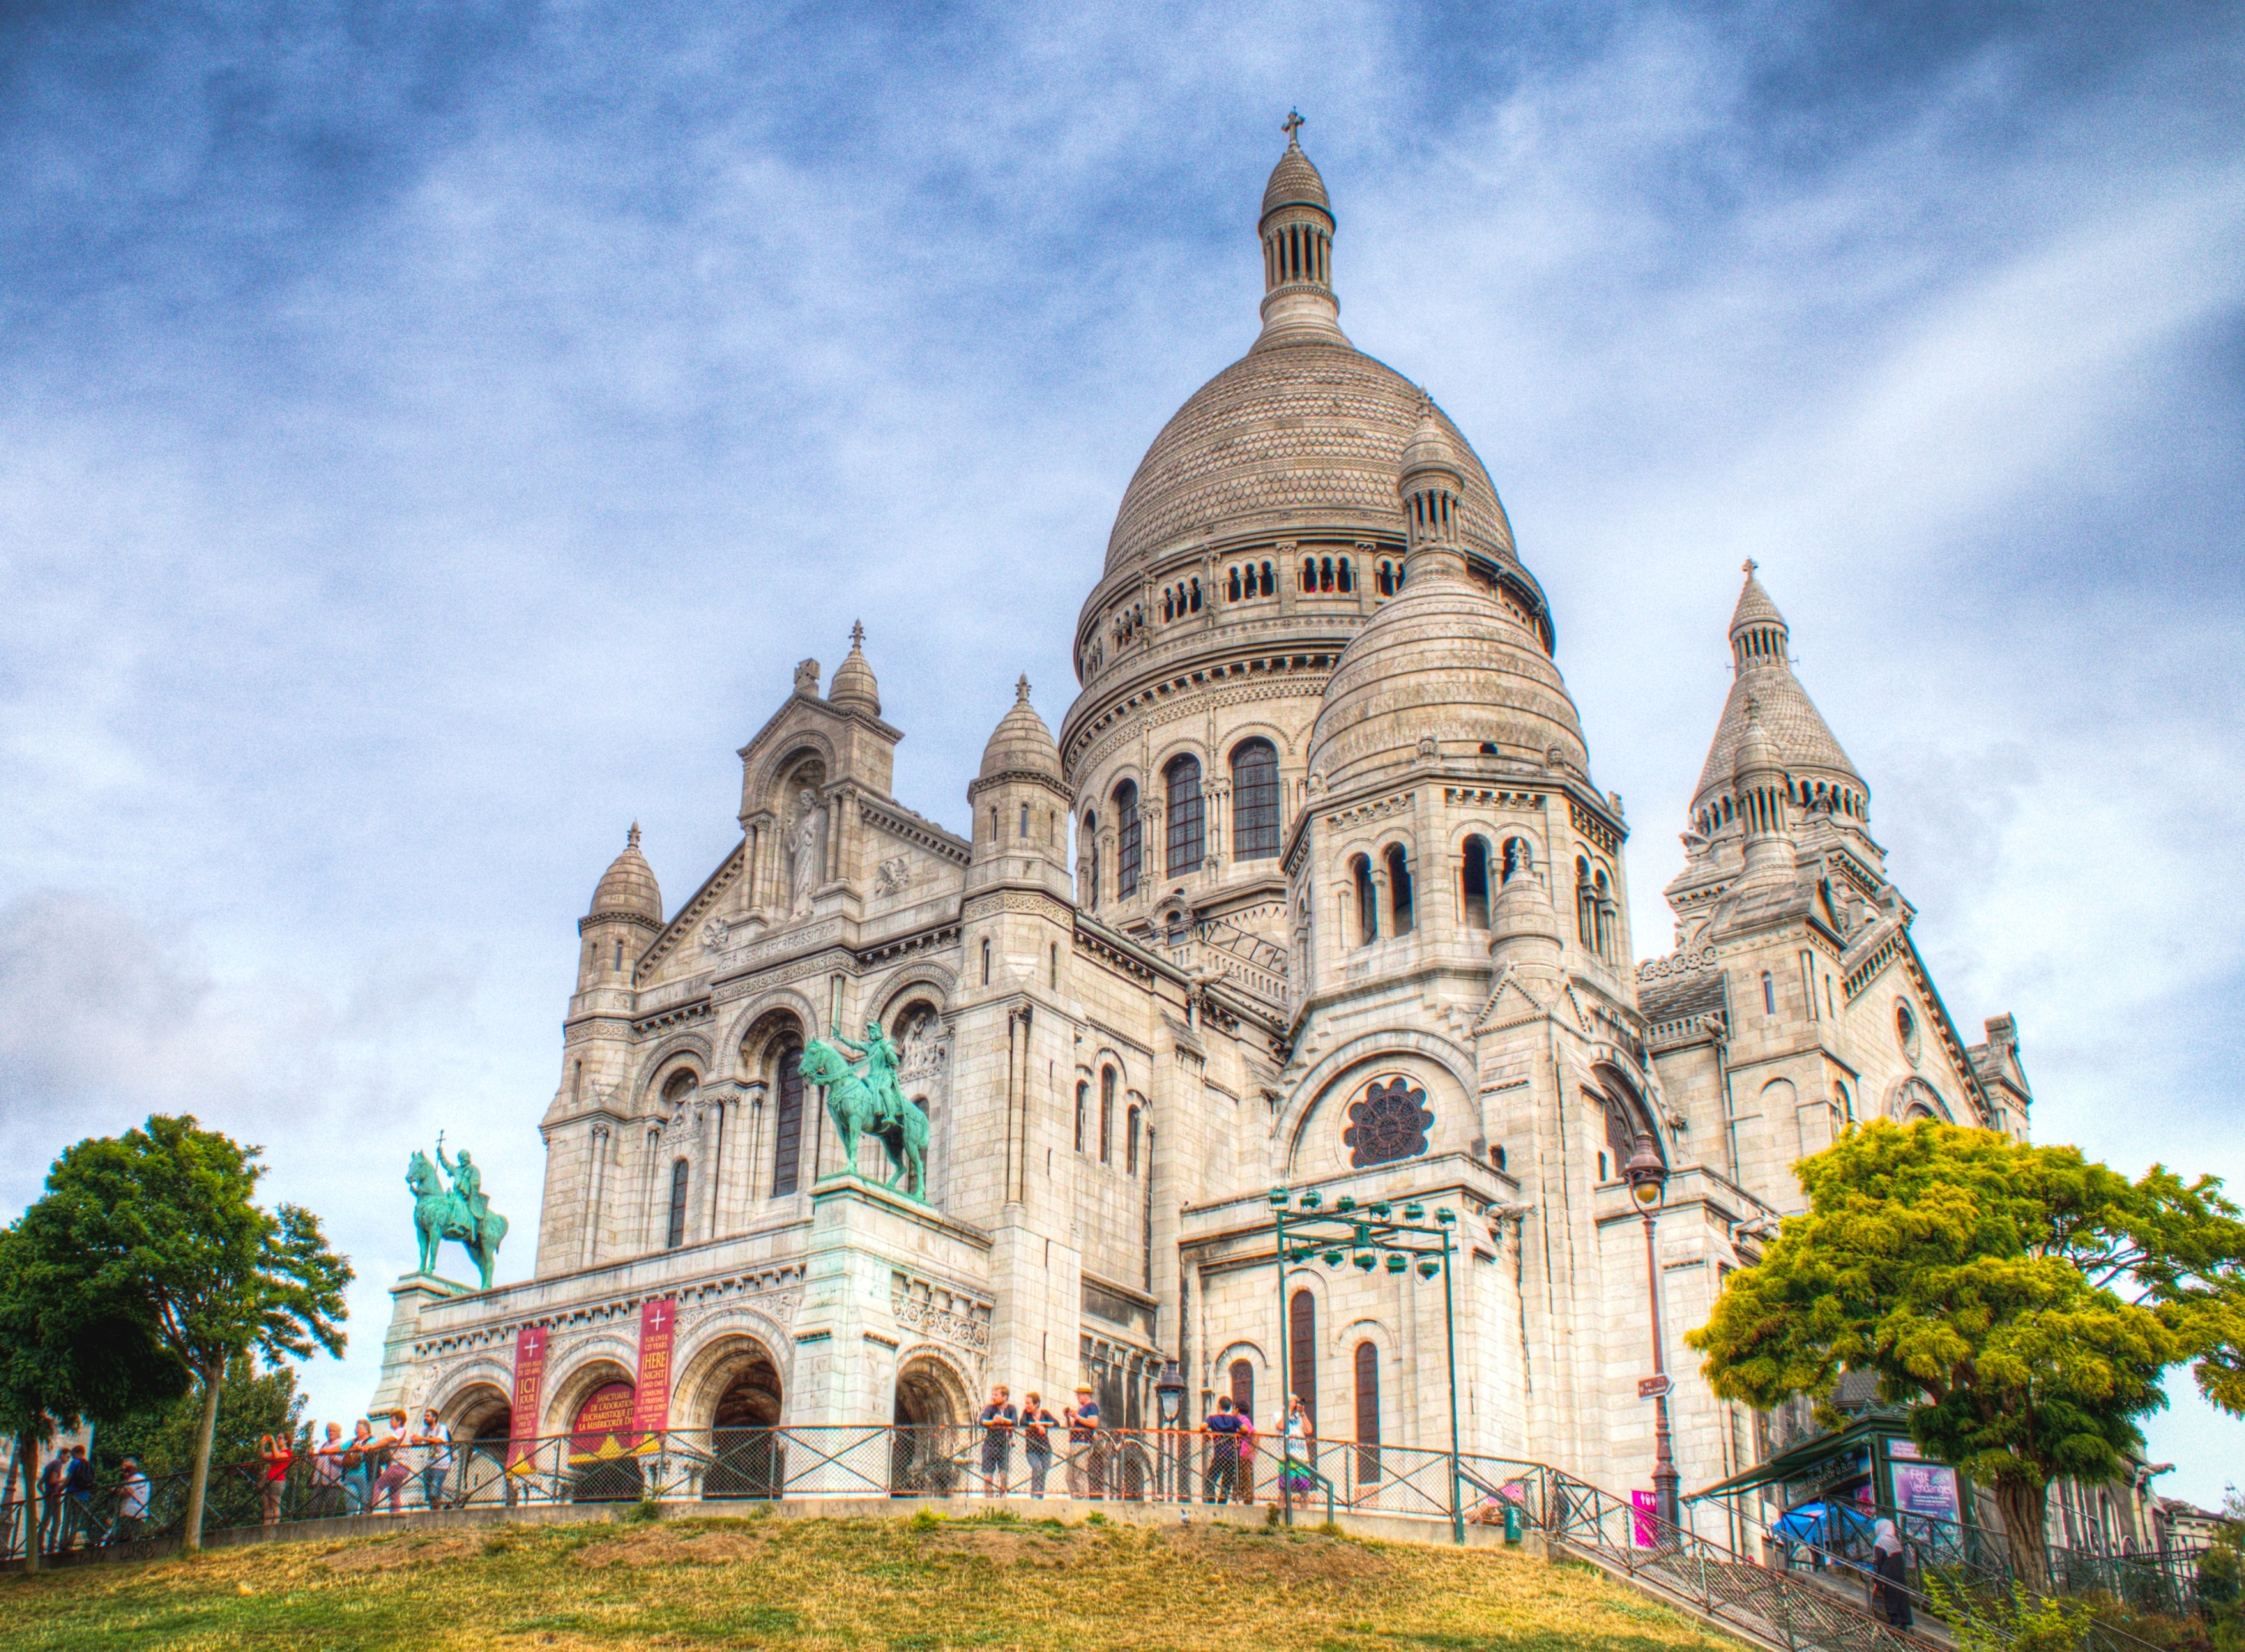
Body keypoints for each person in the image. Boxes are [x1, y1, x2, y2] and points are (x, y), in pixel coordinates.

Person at [1063, 1383, 1102, 1499]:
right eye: (1078, 1394)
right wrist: (1068, 1417)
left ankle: (1083, 1501)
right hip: (1074, 1442)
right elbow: (1070, 1427)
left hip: (1083, 1443)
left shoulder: (1091, 1407)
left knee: (1080, 1472)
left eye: (1081, 1394)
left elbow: (1093, 1423)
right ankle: (1075, 1499)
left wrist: (1078, 1417)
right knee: (1069, 1476)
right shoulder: (1080, 1410)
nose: (1078, 1396)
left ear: (1088, 1395)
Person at [1871, 1518, 1913, 1628]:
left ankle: (1894, 1623)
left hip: (1887, 1574)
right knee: (1900, 1598)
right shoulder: (1895, 1542)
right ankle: (1903, 1623)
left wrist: (1876, 1578)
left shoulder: (1880, 1541)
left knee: (1889, 1599)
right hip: (1899, 1575)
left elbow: (1878, 1561)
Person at [978, 1385, 1018, 1497]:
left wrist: (1003, 1420)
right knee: (987, 1477)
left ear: (1004, 1397)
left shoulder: (1011, 1409)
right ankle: (989, 1501)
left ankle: (1002, 1498)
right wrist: (993, 1422)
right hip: (990, 1445)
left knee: (1004, 1476)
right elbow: (981, 1421)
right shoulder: (990, 1408)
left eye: (996, 1395)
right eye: (992, 1395)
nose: (993, 1397)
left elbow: (1015, 1422)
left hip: (1004, 1445)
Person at [1201, 1395, 1242, 1504]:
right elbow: (1245, 1429)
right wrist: (1237, 1434)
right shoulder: (1233, 1419)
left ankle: (1211, 1500)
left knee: (1210, 1478)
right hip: (1231, 1455)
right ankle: (1222, 1501)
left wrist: (1206, 1434)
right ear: (1229, 1408)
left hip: (1219, 1454)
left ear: (1218, 1406)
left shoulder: (1212, 1418)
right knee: (1227, 1481)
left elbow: (1202, 1427)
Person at [371, 1410, 413, 1514]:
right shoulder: (404, 1432)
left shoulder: (400, 1431)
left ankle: (369, 1509)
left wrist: (373, 1447)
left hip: (397, 1466)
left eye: (392, 1420)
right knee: (394, 1492)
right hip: (404, 1467)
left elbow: (387, 1440)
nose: (390, 1422)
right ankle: (395, 1513)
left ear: (399, 1421)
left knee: (378, 1485)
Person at [1279, 1395, 1316, 1514]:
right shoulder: (1280, 1414)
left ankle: (1305, 1513)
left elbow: (1309, 1430)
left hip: (1302, 1457)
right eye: (1292, 1402)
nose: (1295, 1404)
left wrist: (1302, 1414)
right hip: (1286, 1458)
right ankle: (1279, 1512)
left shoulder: (1300, 1417)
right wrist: (1289, 1410)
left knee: (1304, 1490)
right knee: (1284, 1489)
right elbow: (1280, 1426)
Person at [411, 1408, 453, 1510]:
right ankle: (436, 1513)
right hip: (428, 1464)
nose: (425, 1418)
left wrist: (422, 1439)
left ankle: (445, 1504)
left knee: (434, 1491)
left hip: (441, 1464)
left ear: (434, 1418)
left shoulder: (441, 1428)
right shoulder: (424, 1430)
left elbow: (438, 1440)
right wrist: (414, 1440)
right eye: (424, 1416)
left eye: (427, 1416)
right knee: (430, 1496)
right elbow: (419, 1441)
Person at [1020, 1393, 1057, 1499]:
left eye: (1029, 1403)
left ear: (1036, 1404)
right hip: (1031, 1450)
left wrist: (1042, 1424)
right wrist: (1035, 1425)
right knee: (1037, 1468)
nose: (1027, 1406)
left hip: (1045, 1449)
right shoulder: (1026, 1414)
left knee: (1043, 1473)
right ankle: (1034, 1495)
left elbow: (1056, 1423)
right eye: (1026, 1403)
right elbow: (1022, 1422)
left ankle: (1040, 1496)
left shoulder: (1044, 1413)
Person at [309, 1423, 347, 1518]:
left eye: (333, 1431)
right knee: (314, 1505)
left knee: (330, 1506)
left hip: (334, 1479)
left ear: (338, 1432)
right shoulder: (324, 1445)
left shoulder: (341, 1445)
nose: (331, 1433)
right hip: (320, 1479)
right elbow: (316, 1462)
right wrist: (311, 1457)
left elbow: (344, 1461)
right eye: (329, 1431)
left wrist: (332, 1457)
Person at [256, 1433, 293, 1526]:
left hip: (278, 1481)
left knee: (275, 1505)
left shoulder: (287, 1453)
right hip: (268, 1479)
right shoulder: (276, 1451)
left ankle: (275, 1526)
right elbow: (263, 1455)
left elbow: (277, 1457)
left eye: (280, 1438)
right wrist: (262, 1445)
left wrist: (273, 1444)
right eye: (277, 1438)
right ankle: (266, 1526)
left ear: (286, 1441)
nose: (277, 1440)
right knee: (267, 1506)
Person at [341, 1418, 376, 1515]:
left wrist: (359, 1448)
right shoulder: (351, 1442)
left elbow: (368, 1447)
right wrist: (327, 1451)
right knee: (350, 1497)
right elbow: (340, 1448)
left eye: (359, 1428)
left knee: (365, 1500)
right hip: (349, 1475)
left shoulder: (372, 1440)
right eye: (356, 1428)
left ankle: (365, 1519)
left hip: (364, 1475)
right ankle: (351, 1517)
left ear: (366, 1429)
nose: (357, 1430)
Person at [63, 1445, 97, 1548]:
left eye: (73, 1455)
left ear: (78, 1454)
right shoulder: (90, 1465)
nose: (72, 1458)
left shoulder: (75, 1463)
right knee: (76, 1521)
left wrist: (61, 1489)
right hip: (84, 1497)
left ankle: (63, 1542)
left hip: (72, 1494)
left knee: (67, 1519)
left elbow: (69, 1478)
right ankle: (71, 1542)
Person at [113, 1459, 149, 1544]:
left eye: (126, 1466)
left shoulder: (136, 1477)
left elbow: (128, 1491)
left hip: (132, 1514)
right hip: (134, 1514)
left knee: (123, 1542)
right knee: (126, 1541)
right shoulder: (134, 1478)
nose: (123, 1468)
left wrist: (114, 1490)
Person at [38, 1448, 68, 1554]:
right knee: (57, 1521)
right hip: (55, 1496)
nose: (68, 1459)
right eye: (67, 1457)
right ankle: (51, 1546)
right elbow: (53, 1480)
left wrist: (45, 1494)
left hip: (48, 1496)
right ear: (62, 1455)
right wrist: (64, 1479)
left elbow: (39, 1484)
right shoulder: (58, 1464)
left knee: (45, 1522)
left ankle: (39, 1545)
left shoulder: (49, 1465)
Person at [1234, 1402, 1256, 1505]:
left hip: (1244, 1454)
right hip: (1241, 1453)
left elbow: (1254, 1434)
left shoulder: (1244, 1421)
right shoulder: (1240, 1421)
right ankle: (1241, 1498)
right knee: (1241, 1477)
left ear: (1237, 1409)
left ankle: (1248, 1501)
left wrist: (1251, 1451)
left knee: (1246, 1478)